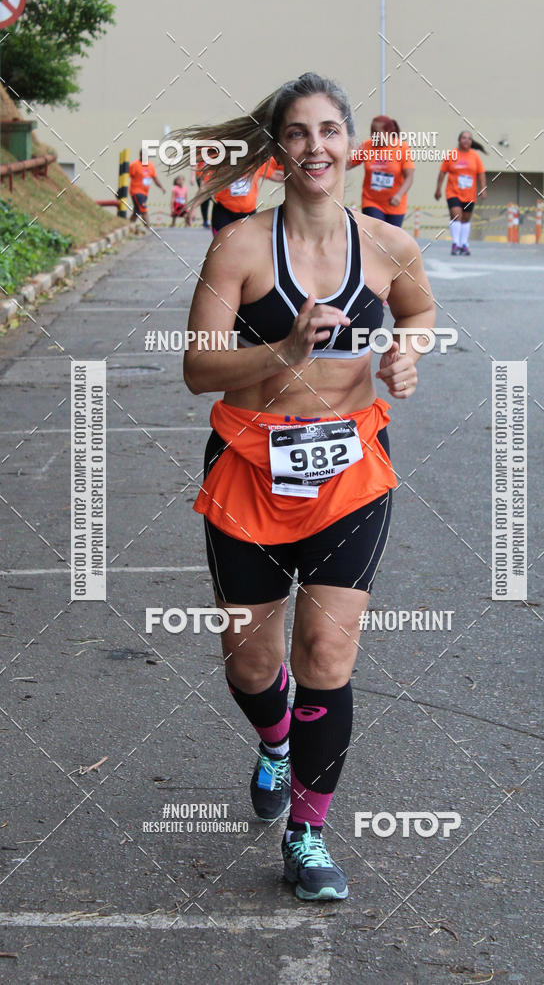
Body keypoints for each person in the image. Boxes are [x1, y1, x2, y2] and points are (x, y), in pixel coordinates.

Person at [181, 73, 435, 902]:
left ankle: (309, 830)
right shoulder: (241, 247)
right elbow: (197, 367)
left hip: (349, 477)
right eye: (299, 133)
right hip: (250, 471)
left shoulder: (389, 243)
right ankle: (274, 738)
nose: (316, 147)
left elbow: (419, 310)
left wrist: (408, 354)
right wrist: (284, 350)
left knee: (326, 652)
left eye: (331, 131)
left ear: (352, 146)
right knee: (255, 666)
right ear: (279, 148)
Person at [348, 115, 415, 227]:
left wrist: (399, 195)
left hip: (395, 204)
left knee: (390, 240)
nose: (372, 135)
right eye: (371, 131)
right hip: (371, 201)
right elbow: (348, 164)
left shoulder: (402, 148)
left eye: (376, 132)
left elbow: (409, 177)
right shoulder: (367, 146)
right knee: (375, 233)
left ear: (388, 132)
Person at [435, 131, 486, 255]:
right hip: (453, 192)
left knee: (466, 218)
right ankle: (456, 243)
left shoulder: (475, 156)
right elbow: (442, 172)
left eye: (469, 139)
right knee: (456, 215)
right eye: (464, 138)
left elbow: (481, 173)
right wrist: (438, 189)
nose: (466, 140)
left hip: (469, 194)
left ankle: (464, 244)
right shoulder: (452, 154)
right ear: (459, 140)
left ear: (471, 142)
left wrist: (483, 189)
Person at [210, 158, 284, 234]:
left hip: (248, 213)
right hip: (224, 211)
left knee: (247, 243)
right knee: (222, 243)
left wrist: (293, 178)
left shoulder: (257, 162)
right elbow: (205, 185)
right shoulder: (222, 161)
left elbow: (275, 175)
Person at [128, 149, 165, 231]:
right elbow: (129, 176)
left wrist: (161, 187)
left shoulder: (151, 166)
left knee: (136, 211)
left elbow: (155, 178)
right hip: (136, 191)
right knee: (143, 209)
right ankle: (148, 228)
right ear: (140, 155)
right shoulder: (134, 165)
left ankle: (128, 226)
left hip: (145, 193)